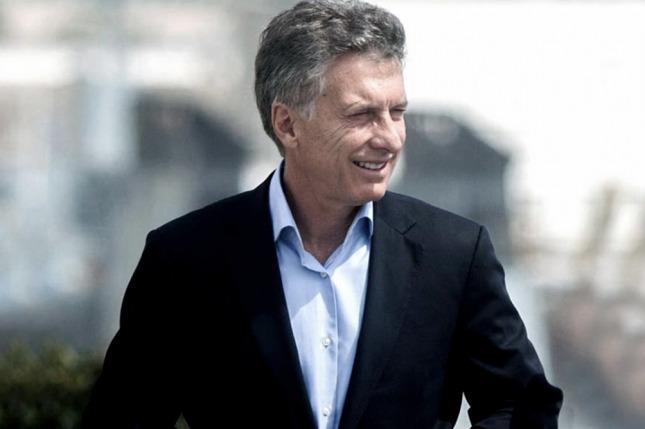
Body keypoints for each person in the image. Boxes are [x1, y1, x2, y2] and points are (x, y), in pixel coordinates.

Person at [82, 1, 562, 428]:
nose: (390, 138)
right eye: (361, 115)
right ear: (287, 124)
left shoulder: (454, 254)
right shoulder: (184, 259)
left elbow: (521, 406)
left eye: (396, 112)